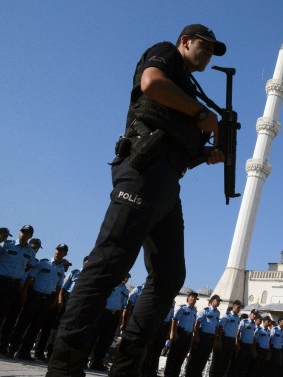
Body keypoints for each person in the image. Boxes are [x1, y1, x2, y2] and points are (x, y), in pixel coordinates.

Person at [46, 23, 227, 377]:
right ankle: (64, 367)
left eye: (212, 50)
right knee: (109, 263)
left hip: (167, 182)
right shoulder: (165, 54)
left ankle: (126, 367)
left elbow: (178, 144)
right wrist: (202, 115)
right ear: (185, 41)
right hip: (143, 172)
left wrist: (208, 154)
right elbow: (151, 84)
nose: (207, 54)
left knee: (170, 276)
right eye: (203, 46)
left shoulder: (188, 88)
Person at [8, 243, 67, 360]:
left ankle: (24, 352)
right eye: (57, 249)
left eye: (61, 251)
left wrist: (55, 300)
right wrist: (25, 292)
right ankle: (12, 349)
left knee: (35, 327)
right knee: (23, 324)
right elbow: (30, 277)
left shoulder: (61, 269)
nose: (58, 252)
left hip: (46, 299)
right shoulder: (43, 263)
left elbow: (59, 286)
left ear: (65, 254)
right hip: (35, 296)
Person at [88, 274, 130, 371]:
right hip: (104, 312)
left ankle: (97, 363)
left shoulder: (125, 291)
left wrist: (121, 320)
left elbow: (123, 306)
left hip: (114, 315)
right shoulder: (111, 284)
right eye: (125, 276)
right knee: (94, 337)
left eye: (127, 278)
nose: (126, 279)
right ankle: (84, 360)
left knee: (106, 340)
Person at [164, 291, 198, 377]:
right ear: (188, 298)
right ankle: (168, 374)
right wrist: (173, 333)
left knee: (181, 356)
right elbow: (175, 320)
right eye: (192, 297)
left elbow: (194, 323)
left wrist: (193, 335)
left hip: (188, 335)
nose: (193, 299)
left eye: (195, 298)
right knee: (173, 355)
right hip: (180, 333)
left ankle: (175, 374)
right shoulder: (182, 308)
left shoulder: (194, 311)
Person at [186, 294, 221, 377]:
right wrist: (196, 335)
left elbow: (216, 327)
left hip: (211, 337)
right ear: (212, 301)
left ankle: (198, 374)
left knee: (204, 357)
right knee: (196, 357)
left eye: (219, 301)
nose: (218, 302)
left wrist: (215, 340)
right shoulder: (205, 310)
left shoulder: (218, 313)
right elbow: (197, 323)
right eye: (217, 301)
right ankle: (190, 374)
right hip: (202, 336)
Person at [212, 300, 242, 377]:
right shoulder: (227, 315)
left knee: (226, 362)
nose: (239, 309)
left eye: (240, 308)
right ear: (234, 306)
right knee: (219, 361)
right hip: (225, 340)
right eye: (238, 308)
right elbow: (220, 327)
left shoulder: (237, 318)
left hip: (231, 341)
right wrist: (219, 340)